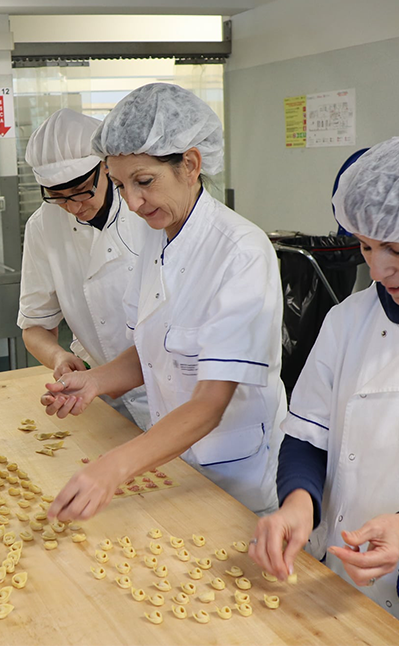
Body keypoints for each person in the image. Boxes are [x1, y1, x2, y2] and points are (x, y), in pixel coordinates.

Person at [250, 130, 399, 646]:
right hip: (334, 597)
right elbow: (306, 436)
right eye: (365, 245)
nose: (378, 269)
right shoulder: (348, 321)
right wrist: (298, 502)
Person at [43, 83, 285, 522]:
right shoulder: (158, 236)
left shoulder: (241, 252)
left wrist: (114, 465)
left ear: (191, 164)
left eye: (145, 182)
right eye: (120, 185)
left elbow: (212, 401)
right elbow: (155, 349)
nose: (133, 203)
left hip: (237, 480)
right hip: (176, 463)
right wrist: (96, 381)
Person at [19, 108, 150, 429]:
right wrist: (59, 357)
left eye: (81, 192)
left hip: (167, 390)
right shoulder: (43, 225)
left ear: (106, 167)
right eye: (58, 197)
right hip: (102, 397)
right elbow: (35, 326)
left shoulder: (149, 212)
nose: (74, 206)